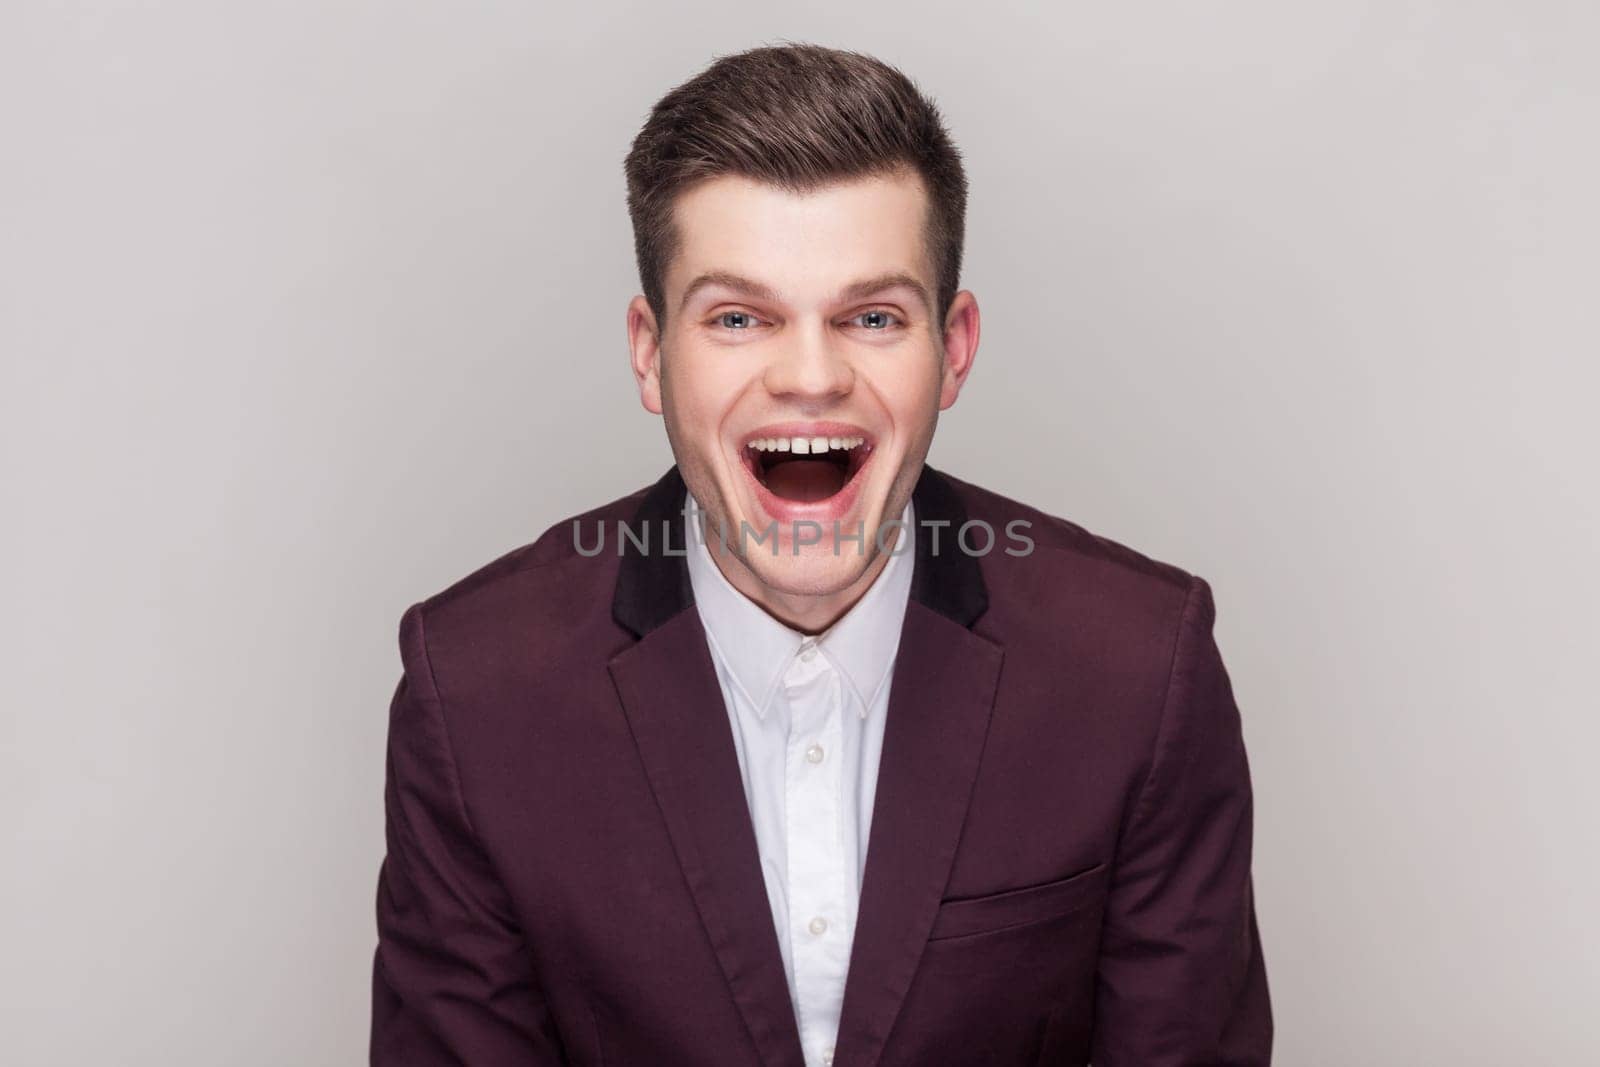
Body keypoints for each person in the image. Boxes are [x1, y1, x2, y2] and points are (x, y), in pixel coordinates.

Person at [370, 42, 1272, 1067]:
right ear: (649, 352)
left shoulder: (1140, 670)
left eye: (873, 316)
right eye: (739, 317)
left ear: (955, 348)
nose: (810, 375)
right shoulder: (474, 692)